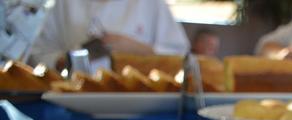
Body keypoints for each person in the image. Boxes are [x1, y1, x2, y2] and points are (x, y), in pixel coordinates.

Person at [30, 0, 189, 69]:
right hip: (72, 103)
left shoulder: (150, 4)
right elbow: (38, 53)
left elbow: (182, 57)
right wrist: (68, 60)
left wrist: (140, 50)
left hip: (136, 106)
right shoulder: (63, 4)